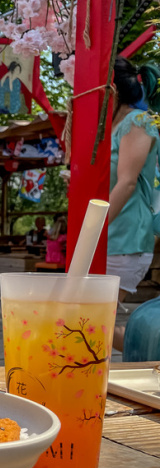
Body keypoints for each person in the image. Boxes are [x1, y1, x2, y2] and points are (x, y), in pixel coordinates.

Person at [107, 57, 160, 303]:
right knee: (85, 320)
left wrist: (91, 229)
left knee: (92, 319)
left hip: (125, 240)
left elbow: (127, 182)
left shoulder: (138, 121)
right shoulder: (110, 127)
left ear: (112, 90)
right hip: (106, 238)